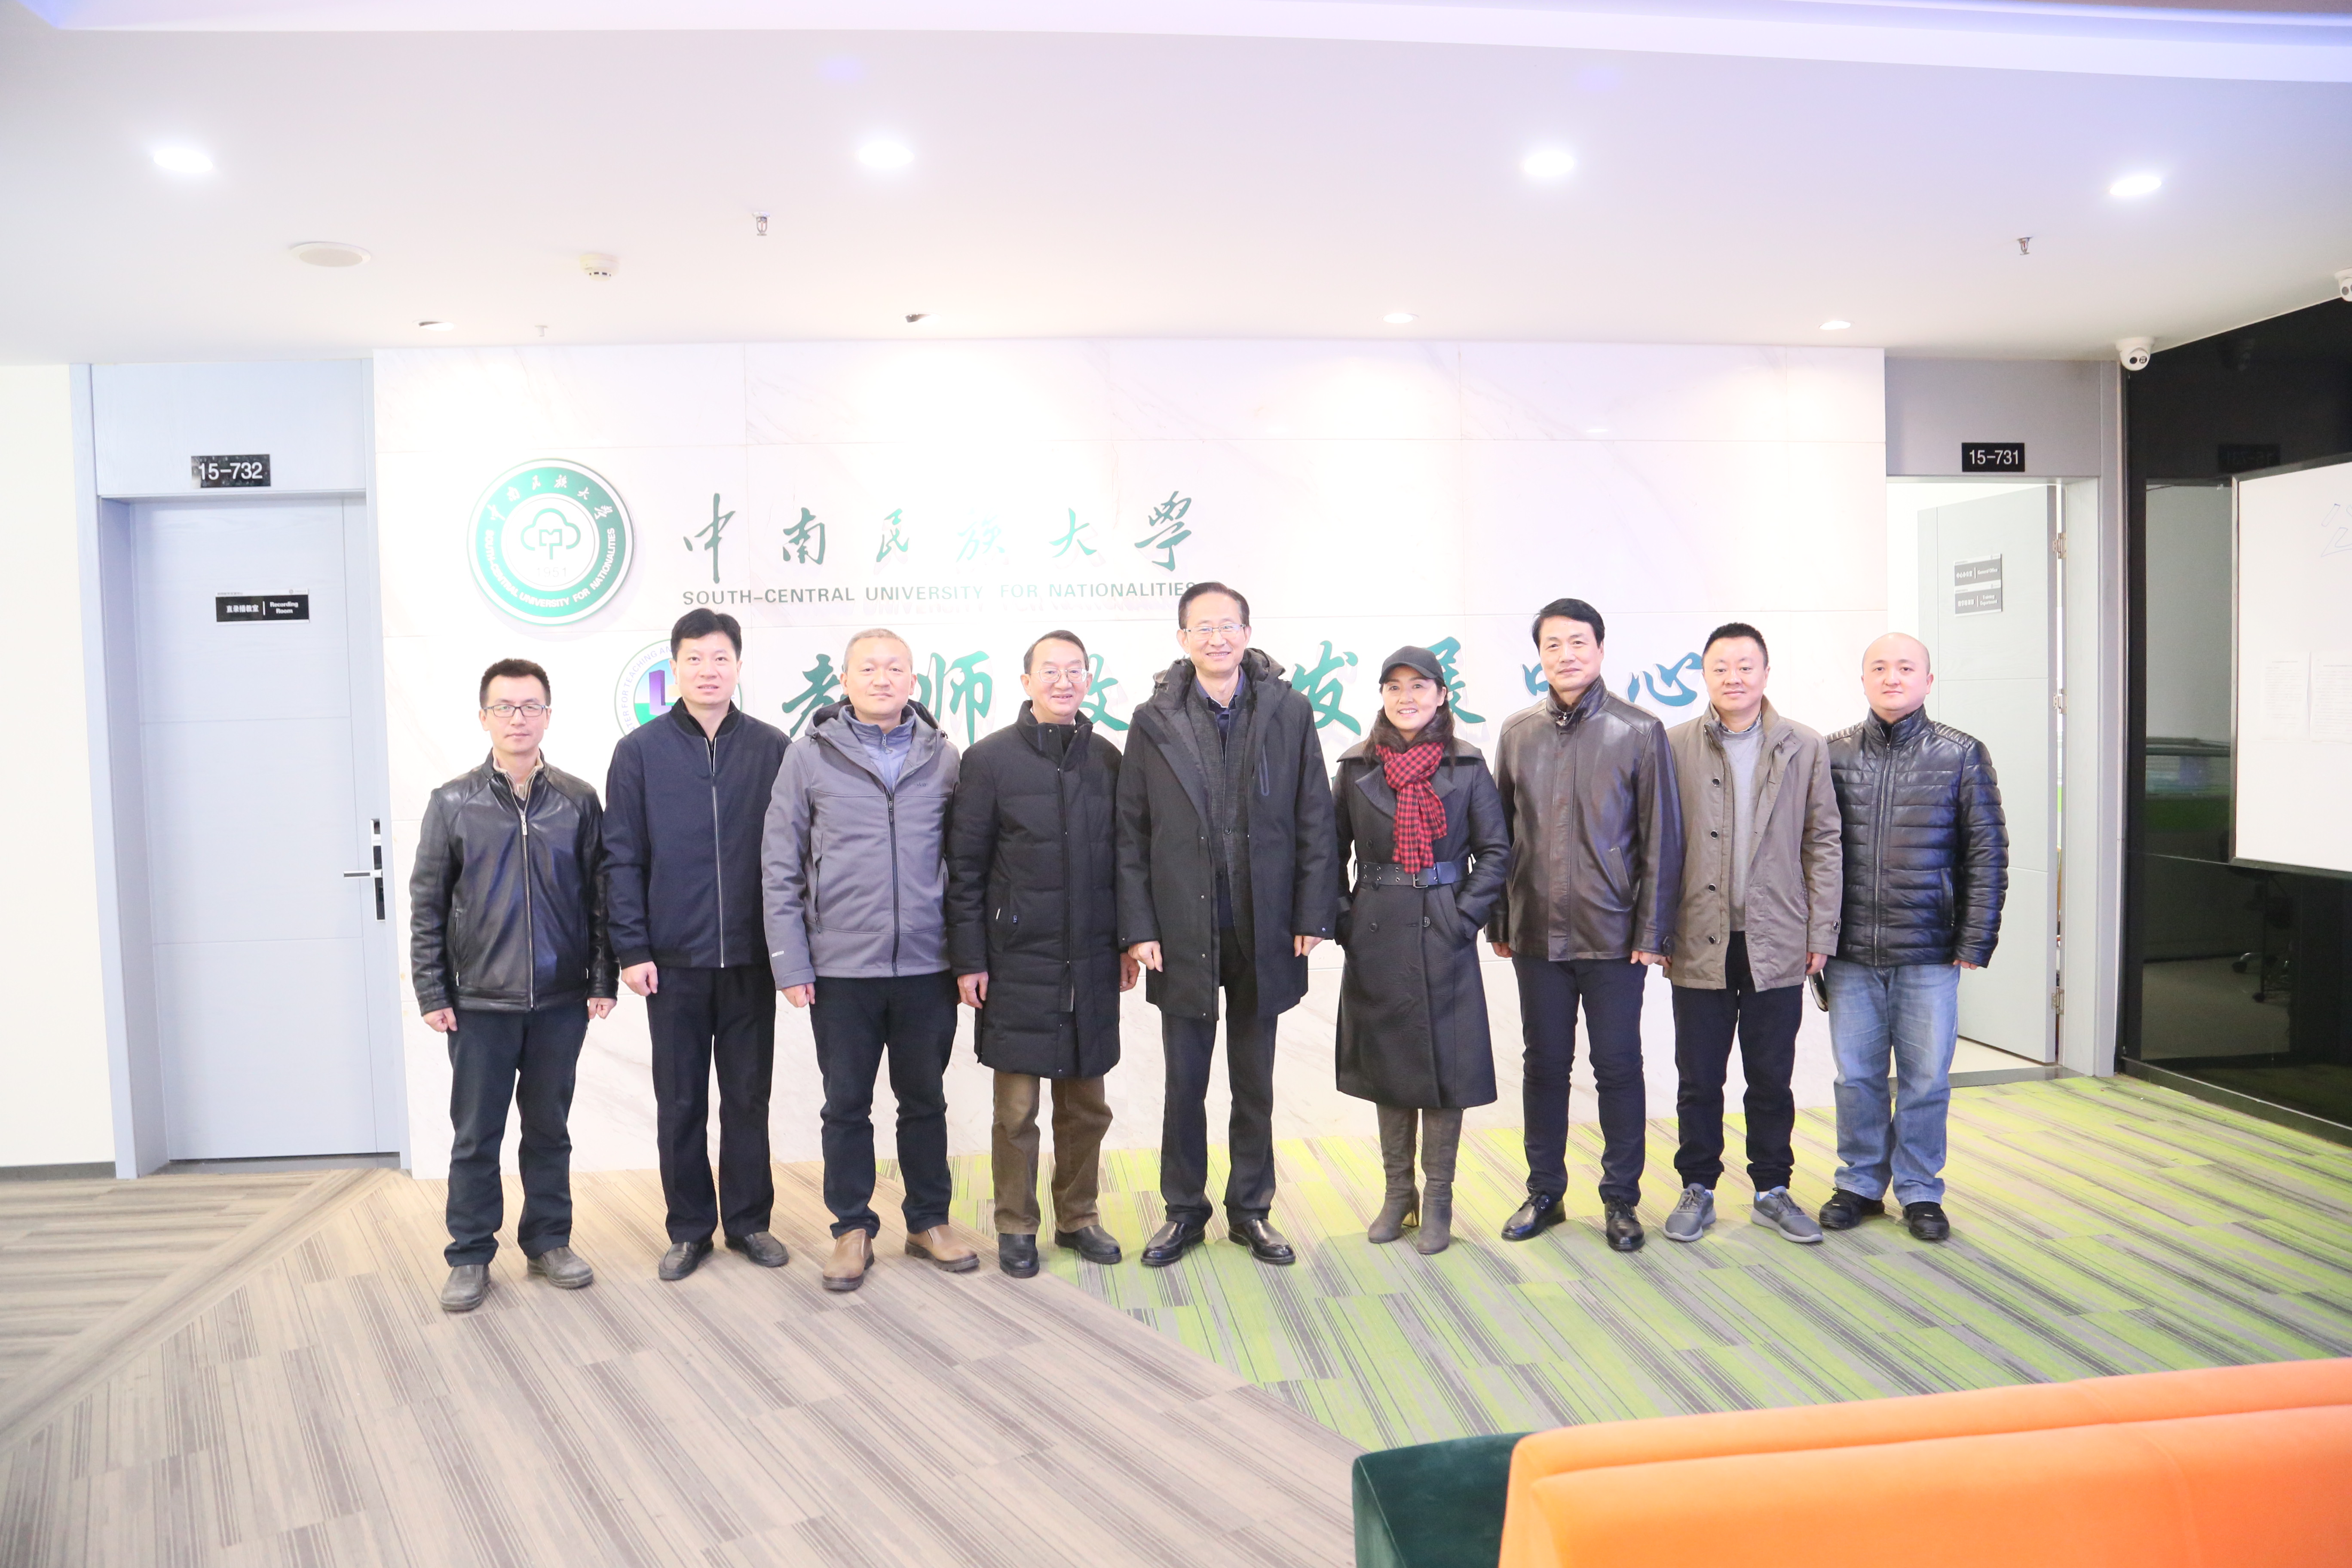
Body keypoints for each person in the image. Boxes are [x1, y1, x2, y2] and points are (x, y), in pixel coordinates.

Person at [1117, 582, 1338, 1268]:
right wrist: (1139, 926)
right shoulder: (1153, 719)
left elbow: (1314, 814)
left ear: (1247, 633)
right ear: (1182, 639)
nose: (1216, 638)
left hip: (1263, 925)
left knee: (1254, 1081)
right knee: (1184, 1083)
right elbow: (1131, 832)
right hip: (1181, 928)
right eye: (1202, 628)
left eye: (1228, 626)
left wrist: (1312, 911)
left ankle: (1251, 1210)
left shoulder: (1288, 709)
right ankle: (1184, 1211)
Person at [763, 628, 971, 1292]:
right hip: (841, 968)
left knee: (925, 1100)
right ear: (845, 682)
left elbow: (965, 864)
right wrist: (791, 962)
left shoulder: (945, 758)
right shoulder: (808, 757)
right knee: (846, 1104)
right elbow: (780, 863)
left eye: (895, 668)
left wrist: (967, 955)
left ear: (914, 680)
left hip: (927, 966)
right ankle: (852, 1228)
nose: (883, 679)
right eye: (869, 669)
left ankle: (928, 1221)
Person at [410, 659, 616, 1313]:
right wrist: (433, 991)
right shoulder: (453, 803)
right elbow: (427, 904)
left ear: (548, 716)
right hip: (479, 1003)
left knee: (549, 1129)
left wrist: (602, 978)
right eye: (505, 707)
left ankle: (549, 1241)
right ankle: (470, 1253)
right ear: (484, 718)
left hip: (560, 999)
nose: (518, 718)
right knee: (477, 1135)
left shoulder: (578, 800)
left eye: (531, 707)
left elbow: (601, 900)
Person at [1488, 598, 1682, 1253]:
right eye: (1553, 645)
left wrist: (1652, 933)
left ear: (1600, 650)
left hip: (1614, 936)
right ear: (1539, 656)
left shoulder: (1639, 730)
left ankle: (1621, 1199)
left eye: (1578, 643)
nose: (1566, 655)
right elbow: (1500, 837)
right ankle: (1545, 1191)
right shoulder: (1518, 733)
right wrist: (1502, 917)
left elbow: (1663, 841)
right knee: (1544, 1065)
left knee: (1618, 1066)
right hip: (1536, 933)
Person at [605, 609, 792, 1282]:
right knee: (680, 1102)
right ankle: (688, 1230)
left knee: (748, 1098)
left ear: (738, 666)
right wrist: (632, 949)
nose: (708, 671)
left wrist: (788, 950)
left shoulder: (772, 748)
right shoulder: (640, 752)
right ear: (674, 667)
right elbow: (621, 857)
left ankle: (748, 1222)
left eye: (720, 658)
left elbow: (794, 854)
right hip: (673, 962)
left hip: (750, 958)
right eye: (694, 658)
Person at [947, 630, 1136, 1278]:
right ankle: (1016, 1224)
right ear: (1026, 682)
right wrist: (969, 959)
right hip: (1016, 961)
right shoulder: (989, 760)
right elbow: (965, 871)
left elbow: (1125, 862)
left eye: (1075, 670)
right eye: (1049, 671)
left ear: (1089, 680)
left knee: (1087, 1108)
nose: (1063, 681)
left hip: (1091, 959)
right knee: (1016, 1112)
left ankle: (1079, 1217)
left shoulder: (1108, 759)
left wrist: (1127, 940)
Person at [1821, 633, 2007, 1243]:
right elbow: (1811, 853)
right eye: (1879, 668)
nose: (1892, 677)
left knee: (1926, 1078)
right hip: (1851, 952)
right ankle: (1859, 1184)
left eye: (1906, 668)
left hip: (1930, 950)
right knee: (1856, 1077)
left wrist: (1975, 938)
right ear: (1863, 680)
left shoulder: (1961, 754)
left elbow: (1988, 852)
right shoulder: (1832, 753)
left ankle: (1921, 1190)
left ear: (1928, 681)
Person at [1659, 623, 1841, 1247]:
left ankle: (1772, 1189)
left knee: (1770, 1076)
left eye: (1745, 666)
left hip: (1778, 937)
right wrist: (1657, 930)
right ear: (1703, 675)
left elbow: (1824, 841)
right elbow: (1658, 845)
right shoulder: (1675, 745)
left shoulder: (1804, 745)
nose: (1733, 678)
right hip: (1698, 935)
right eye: (1720, 667)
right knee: (1698, 1077)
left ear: (1766, 673)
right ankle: (1698, 1186)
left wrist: (1821, 929)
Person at [1330, 648, 1510, 1256]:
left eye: (1419, 686)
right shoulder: (1356, 765)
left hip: (1443, 927)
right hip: (1377, 929)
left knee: (1446, 1068)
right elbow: (1327, 851)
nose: (1406, 698)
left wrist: (1464, 916)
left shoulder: (1467, 764)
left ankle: (1438, 1200)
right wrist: (1347, 919)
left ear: (1441, 695)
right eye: (1394, 687)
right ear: (1382, 696)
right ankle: (1396, 1193)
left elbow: (1496, 852)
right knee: (1388, 1066)